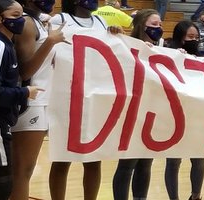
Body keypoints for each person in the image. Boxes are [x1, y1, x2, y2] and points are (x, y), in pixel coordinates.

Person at [47, 0, 121, 199]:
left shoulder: (101, 22)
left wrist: (116, 34)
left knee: (94, 158)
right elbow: (48, 54)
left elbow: (115, 53)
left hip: (94, 96)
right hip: (66, 95)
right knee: (62, 158)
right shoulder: (59, 19)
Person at [10, 0, 65, 199]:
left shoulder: (39, 21)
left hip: (42, 99)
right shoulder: (26, 23)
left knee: (25, 171)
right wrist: (50, 41)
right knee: (21, 172)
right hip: (29, 101)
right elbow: (26, 71)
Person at [0, 1, 43, 199]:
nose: (21, 20)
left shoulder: (7, 44)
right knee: (1, 184)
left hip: (2, 122)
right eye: (15, 15)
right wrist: (24, 92)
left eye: (22, 15)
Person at [111, 9, 164, 200]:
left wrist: (179, 55)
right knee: (127, 164)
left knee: (145, 163)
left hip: (153, 110)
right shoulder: (127, 45)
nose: (160, 28)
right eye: (155, 24)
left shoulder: (162, 47)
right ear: (142, 25)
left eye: (160, 24)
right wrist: (116, 34)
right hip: (132, 110)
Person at [163, 20, 204, 200]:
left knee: (198, 160)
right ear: (180, 39)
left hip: (197, 117)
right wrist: (174, 59)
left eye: (196, 37)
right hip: (174, 117)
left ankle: (196, 196)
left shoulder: (202, 60)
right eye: (190, 37)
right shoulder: (168, 55)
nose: (194, 40)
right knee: (173, 162)